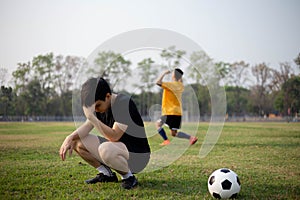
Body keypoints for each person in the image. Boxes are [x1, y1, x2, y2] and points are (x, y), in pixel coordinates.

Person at [59, 77, 151, 189]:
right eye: (93, 108)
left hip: (137, 156)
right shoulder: (100, 107)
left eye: (97, 106)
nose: (96, 110)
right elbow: (86, 127)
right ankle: (107, 174)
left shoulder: (124, 104)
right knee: (77, 141)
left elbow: (114, 136)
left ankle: (128, 178)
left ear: (108, 96)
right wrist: (70, 137)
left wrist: (91, 117)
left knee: (106, 149)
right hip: (117, 150)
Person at [155, 69, 198, 146]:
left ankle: (166, 140)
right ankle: (191, 138)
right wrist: (180, 76)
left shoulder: (171, 85)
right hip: (178, 112)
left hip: (169, 111)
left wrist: (164, 73)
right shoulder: (180, 86)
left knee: (158, 124)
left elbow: (158, 82)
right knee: (174, 133)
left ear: (174, 75)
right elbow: (180, 81)